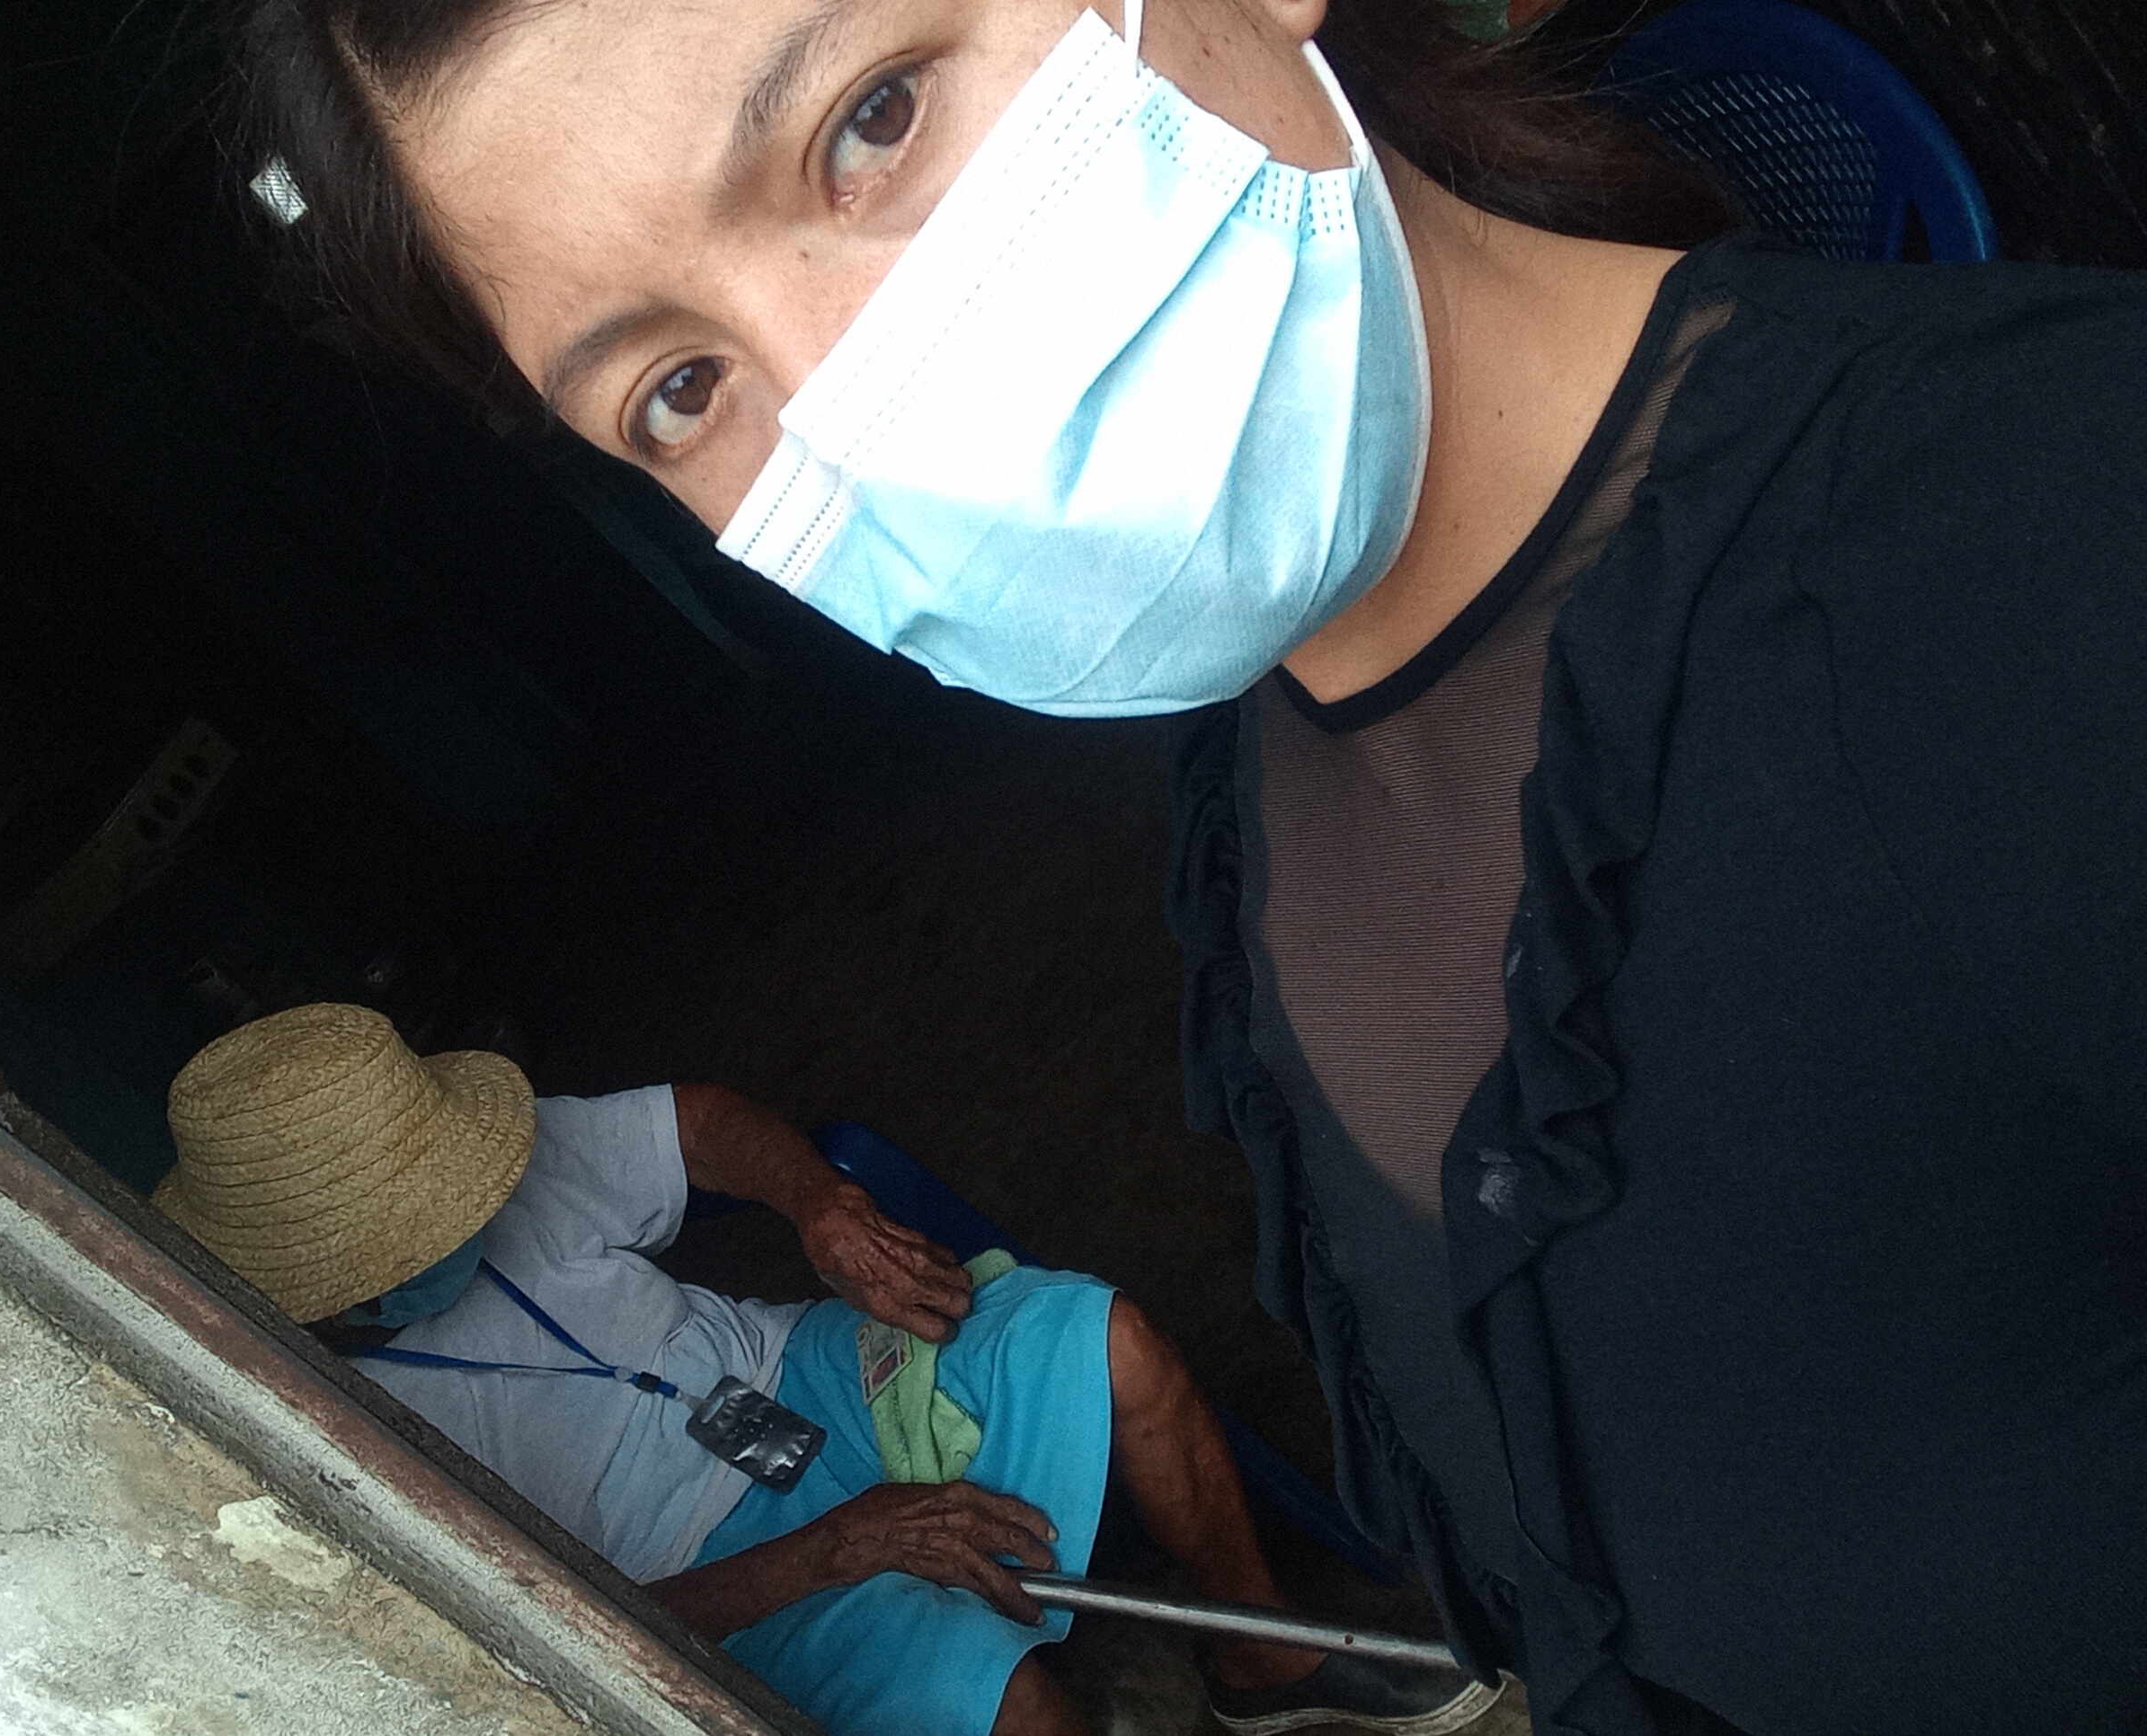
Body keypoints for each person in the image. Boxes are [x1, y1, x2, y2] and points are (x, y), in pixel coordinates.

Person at [233, 0, 2147, 1731]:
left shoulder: (2051, 542)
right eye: (676, 388)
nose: (846, 405)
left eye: (875, 116)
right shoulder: (1260, 802)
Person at [151, 1002, 1499, 1736]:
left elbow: (701, 1124)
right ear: (336, 1281)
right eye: (424, 1221)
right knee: (1020, 1719)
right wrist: (836, 1549)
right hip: (719, 1583)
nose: (473, 1209)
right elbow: (555, 1640)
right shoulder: (321, 1438)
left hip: (808, 1378)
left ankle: (1261, 1665)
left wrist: (819, 1205)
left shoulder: (487, 1156)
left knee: (1106, 1344)